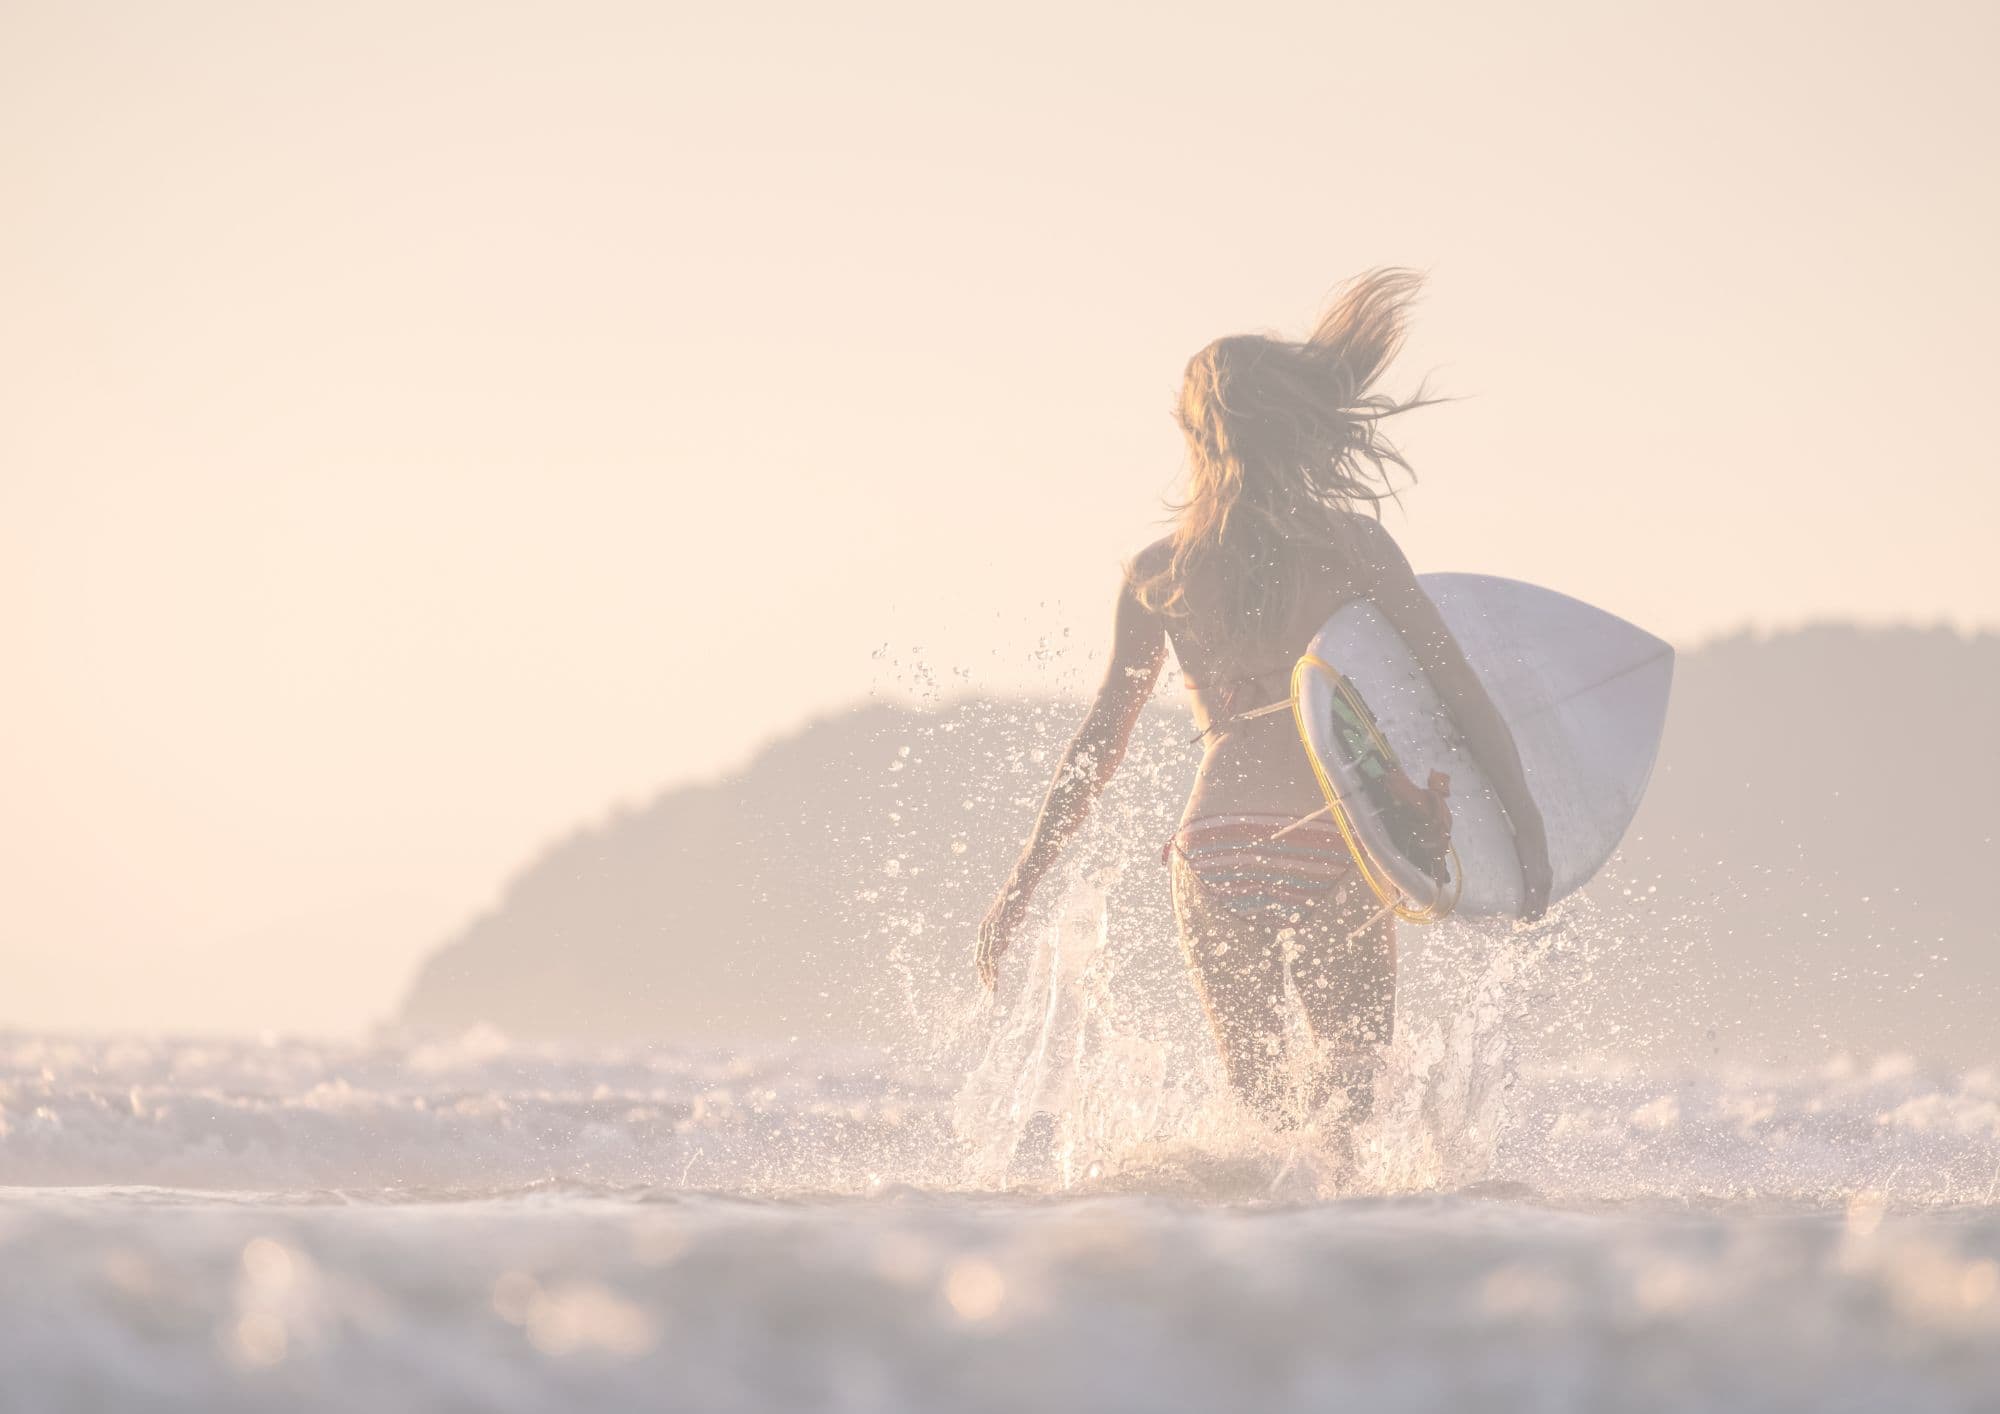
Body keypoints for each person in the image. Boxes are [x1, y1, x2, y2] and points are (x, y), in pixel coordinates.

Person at [975, 269, 1552, 1130]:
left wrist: (1020, 883)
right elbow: (1456, 692)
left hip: (1214, 847)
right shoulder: (1355, 547)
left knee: (1262, 1122)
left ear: (1195, 436)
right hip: (1333, 835)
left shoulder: (1159, 573)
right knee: (1348, 1120)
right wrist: (1529, 836)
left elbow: (1099, 746)